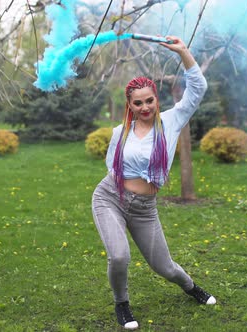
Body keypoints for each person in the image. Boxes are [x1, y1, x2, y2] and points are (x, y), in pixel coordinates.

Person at [91, 36, 216, 330]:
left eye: (150, 100)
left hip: (145, 208)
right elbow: (112, 166)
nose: (145, 107)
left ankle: (190, 287)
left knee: (165, 267)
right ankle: (122, 305)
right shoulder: (120, 131)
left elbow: (198, 89)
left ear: (156, 99)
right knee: (119, 256)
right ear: (130, 105)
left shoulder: (171, 121)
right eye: (138, 103)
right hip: (110, 197)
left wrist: (183, 51)